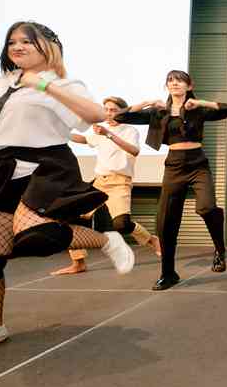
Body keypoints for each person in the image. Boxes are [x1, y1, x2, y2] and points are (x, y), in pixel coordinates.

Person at [0, 21, 135, 355]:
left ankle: (105, 239)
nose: (17, 47)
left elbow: (95, 114)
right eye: (11, 42)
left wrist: (44, 85)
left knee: (38, 236)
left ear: (48, 46)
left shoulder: (63, 83)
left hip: (44, 167)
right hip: (0, 170)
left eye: (26, 41)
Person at [117, 71, 227, 290]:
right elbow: (120, 117)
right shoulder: (159, 112)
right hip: (174, 166)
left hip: (198, 164)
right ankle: (168, 273)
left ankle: (220, 250)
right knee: (165, 221)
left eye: (179, 80)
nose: (174, 84)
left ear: (189, 85)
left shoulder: (197, 109)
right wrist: (147, 102)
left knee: (207, 207)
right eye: (170, 81)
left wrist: (200, 103)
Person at [52, 96, 162, 275]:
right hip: (99, 182)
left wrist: (108, 134)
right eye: (106, 110)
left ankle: (151, 240)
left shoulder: (129, 130)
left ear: (122, 112)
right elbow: (84, 139)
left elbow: (134, 151)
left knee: (121, 224)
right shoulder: (100, 130)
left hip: (119, 182)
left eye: (113, 110)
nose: (109, 113)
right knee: (69, 216)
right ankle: (78, 262)